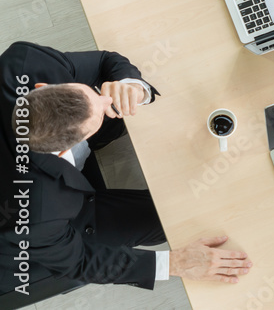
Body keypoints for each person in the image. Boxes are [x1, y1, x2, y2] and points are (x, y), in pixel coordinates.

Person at [0, 42, 251, 291]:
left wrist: (133, 87)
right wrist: (174, 263)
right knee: (171, 218)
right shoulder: (37, 218)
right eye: (97, 114)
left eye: (89, 94)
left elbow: (104, 61)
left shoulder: (22, 63)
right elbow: (80, 262)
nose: (105, 99)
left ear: (43, 86)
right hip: (47, 224)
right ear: (67, 149)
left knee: (121, 109)